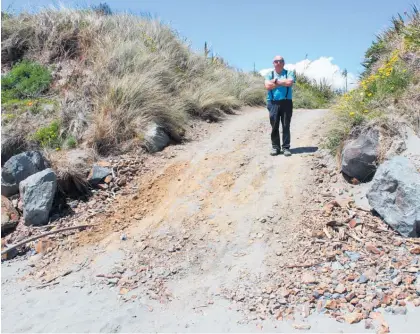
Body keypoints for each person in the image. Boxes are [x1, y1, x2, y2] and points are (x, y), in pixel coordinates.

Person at [264, 56, 295, 156]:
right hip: (273, 103)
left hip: (286, 102)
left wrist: (275, 81)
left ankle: (286, 148)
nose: (278, 63)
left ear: (284, 63)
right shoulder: (269, 74)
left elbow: (289, 83)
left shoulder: (289, 73)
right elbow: (267, 86)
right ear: (273, 63)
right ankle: (275, 147)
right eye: (276, 61)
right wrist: (282, 82)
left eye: (281, 61)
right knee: (274, 125)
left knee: (286, 125)